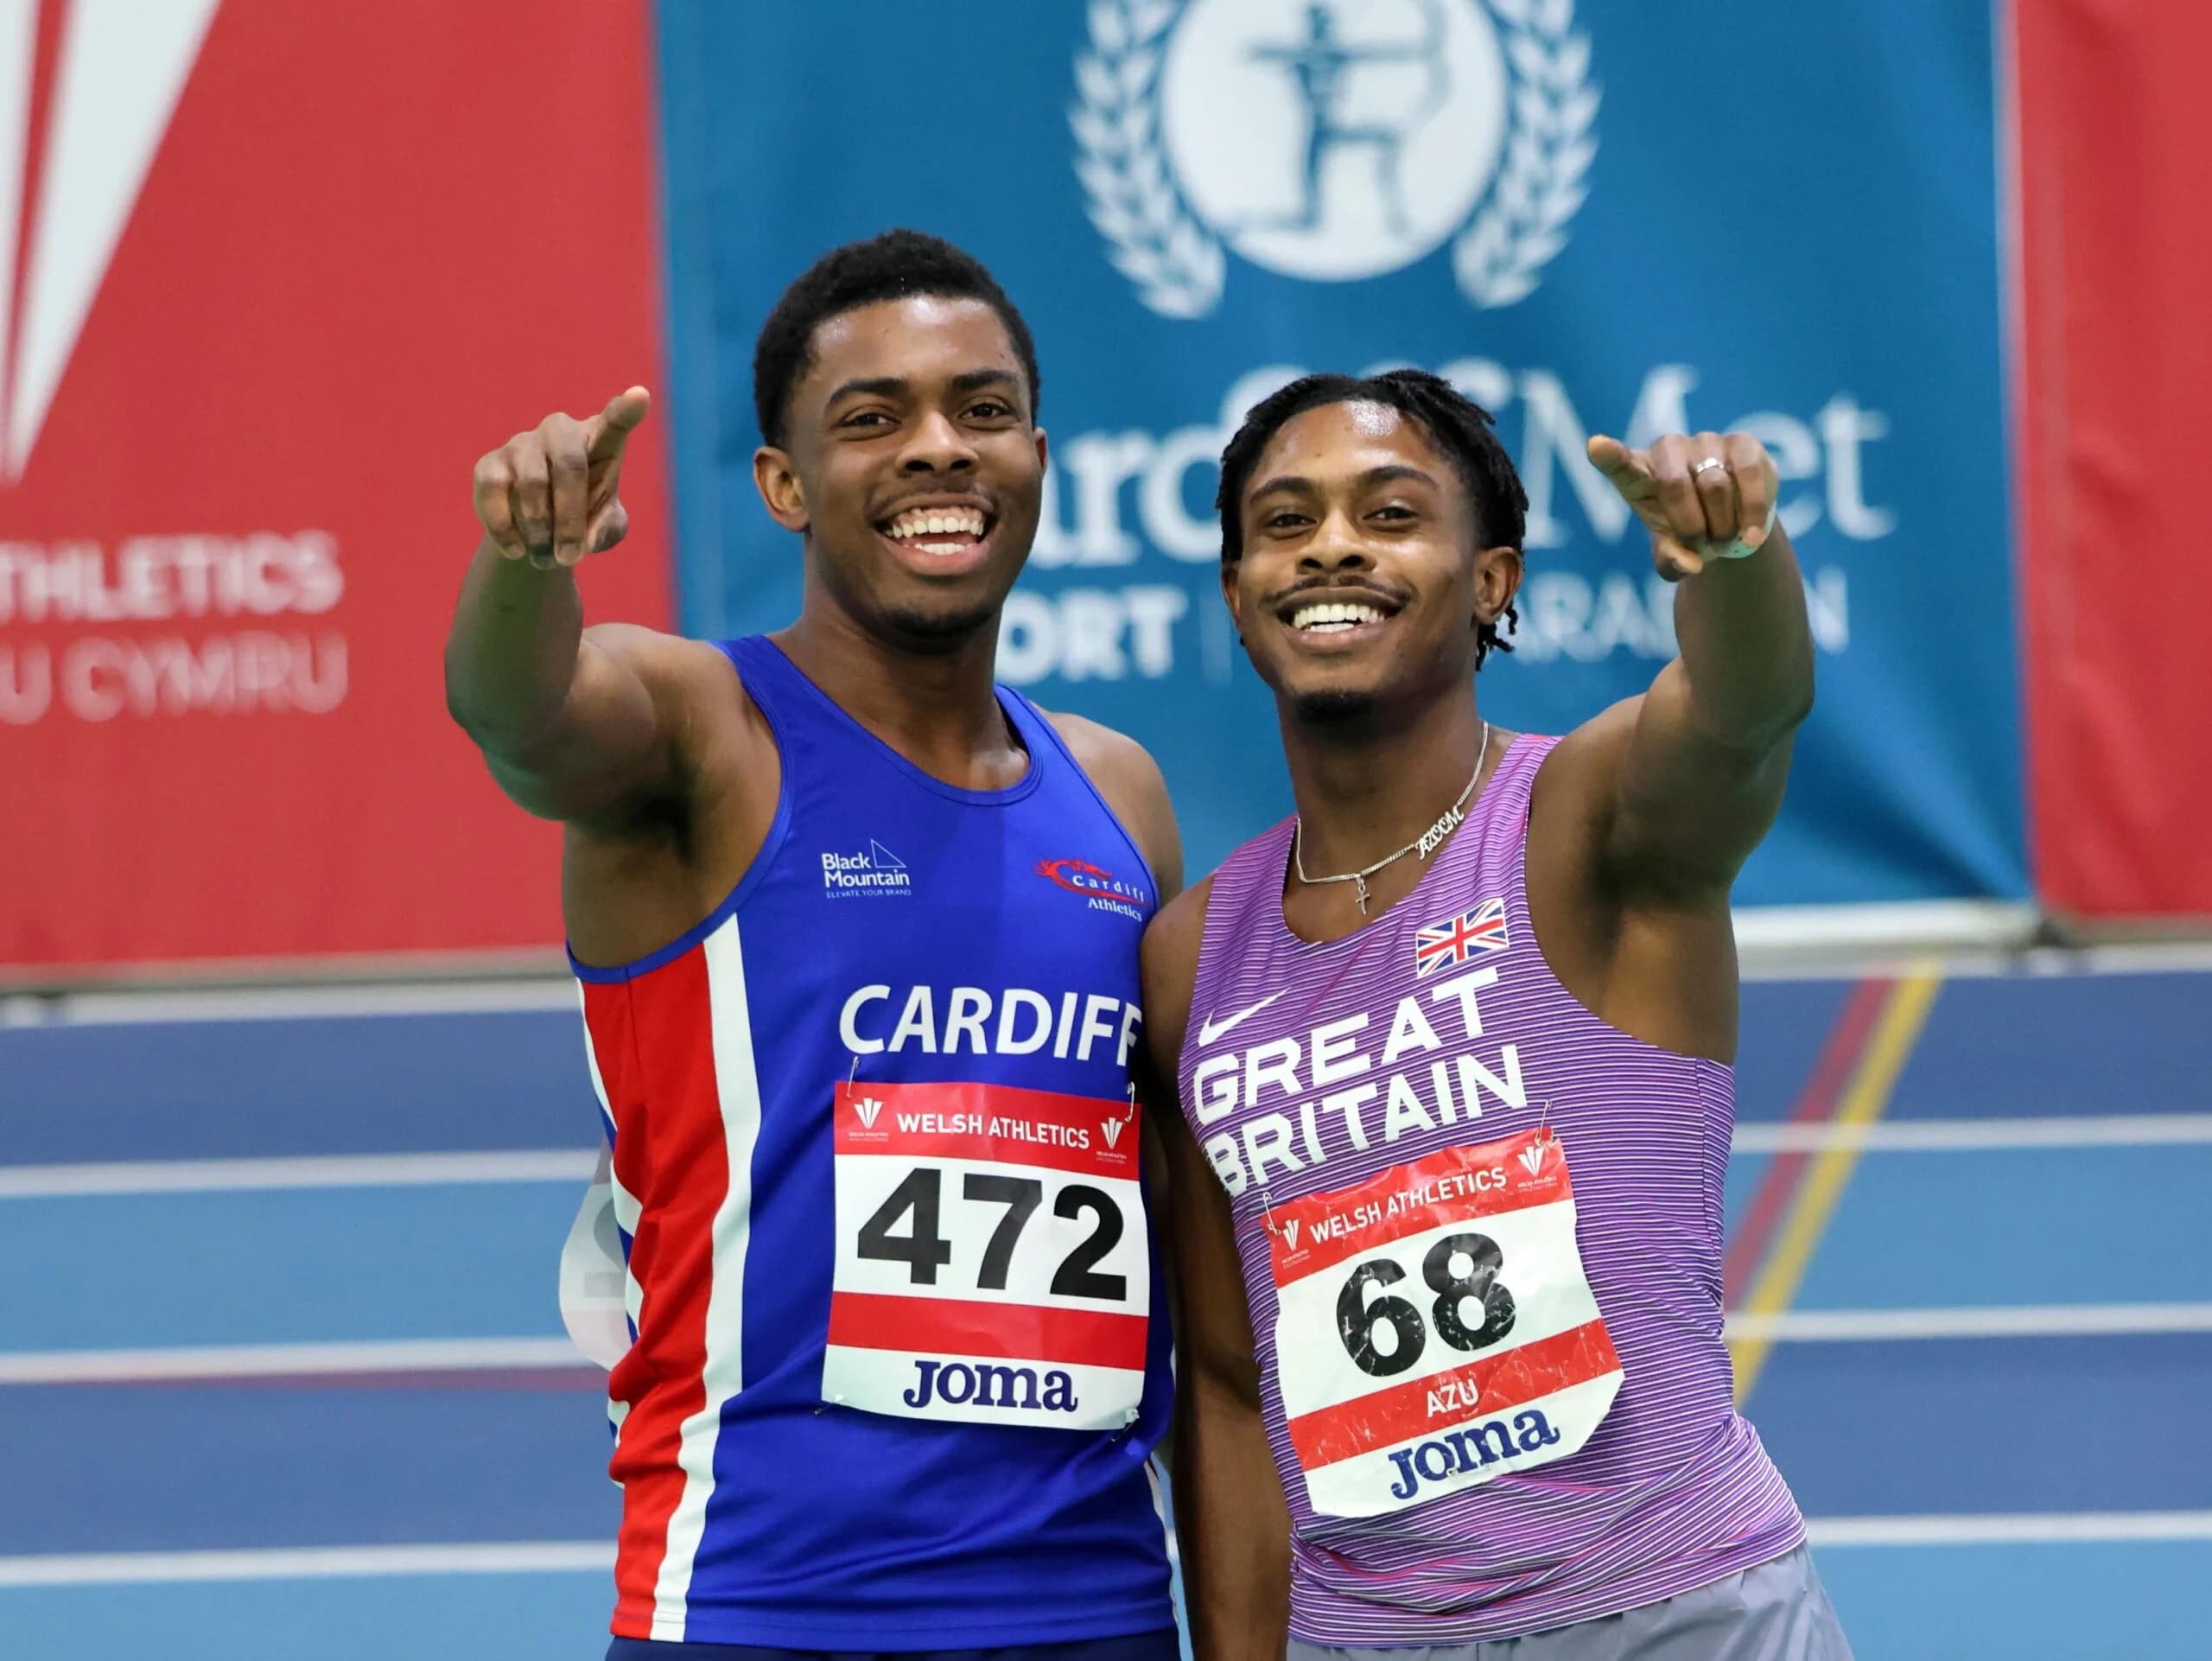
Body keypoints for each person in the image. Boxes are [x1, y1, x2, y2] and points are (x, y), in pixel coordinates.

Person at [446, 230, 1183, 1659]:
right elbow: (519, 715)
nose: (937, 449)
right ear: (783, 484)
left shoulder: (1119, 795)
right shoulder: (701, 732)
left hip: (1091, 1602)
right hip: (764, 1600)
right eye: (872, 419)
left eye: (980, 411)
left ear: (1038, 453)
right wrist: (525, 565)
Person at [1141, 370, 1853, 1659]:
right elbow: (1236, 1392)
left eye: (1390, 511)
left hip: (1673, 1610)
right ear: (1241, 598)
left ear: (1493, 583)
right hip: (1368, 1636)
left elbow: (1747, 715)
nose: (1334, 545)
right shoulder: (1195, 955)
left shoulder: (1585, 821)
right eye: (1286, 522)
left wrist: (1737, 562)